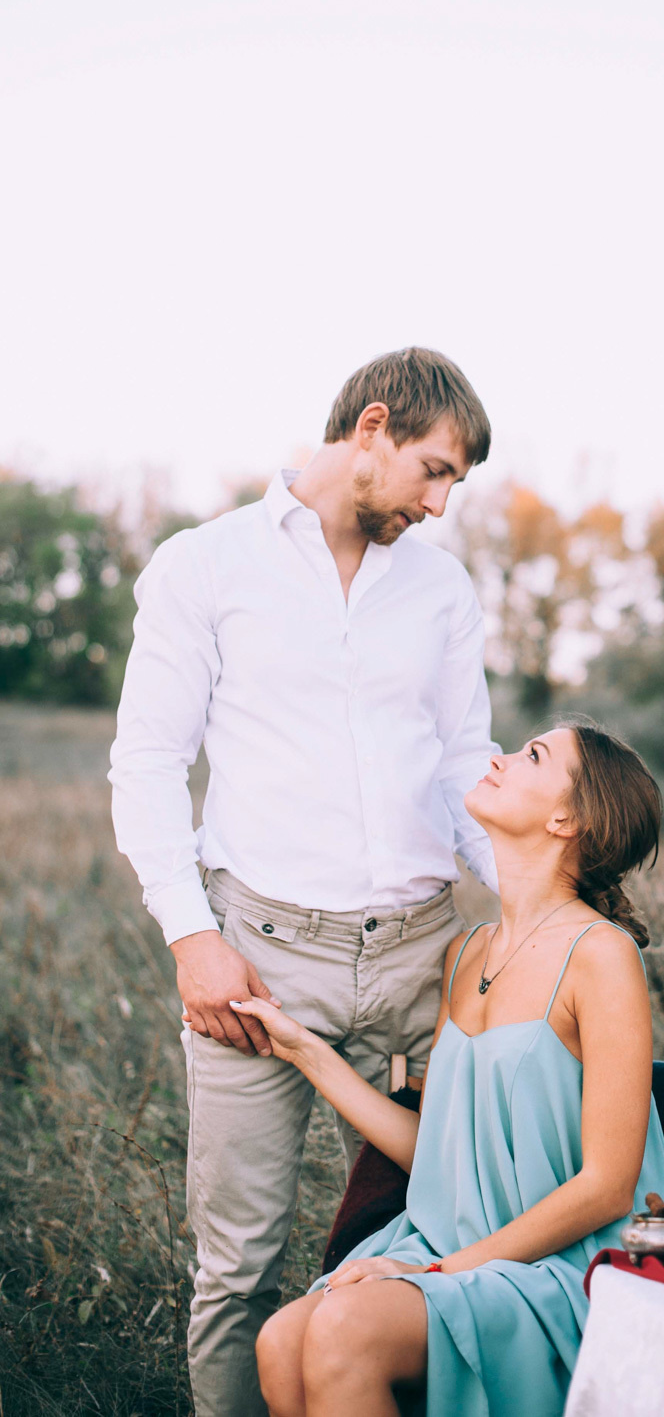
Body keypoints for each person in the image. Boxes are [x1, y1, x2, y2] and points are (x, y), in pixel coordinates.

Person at [108, 348, 498, 1417]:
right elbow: (146, 762)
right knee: (239, 1270)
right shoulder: (208, 566)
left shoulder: (442, 585)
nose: (440, 502)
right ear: (369, 428)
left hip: (430, 962)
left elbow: (468, 759)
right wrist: (193, 938)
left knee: (459, 1239)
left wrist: (537, 904)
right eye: (434, 470)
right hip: (259, 963)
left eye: (455, 483)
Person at [230, 722, 664, 1417]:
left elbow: (607, 1187)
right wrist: (303, 1050)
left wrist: (436, 1271)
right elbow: (439, 1155)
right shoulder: (469, 953)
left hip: (561, 1269)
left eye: (533, 755)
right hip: (451, 1244)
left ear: (569, 818)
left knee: (346, 1332)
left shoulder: (601, 954)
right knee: (282, 1341)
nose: (500, 758)